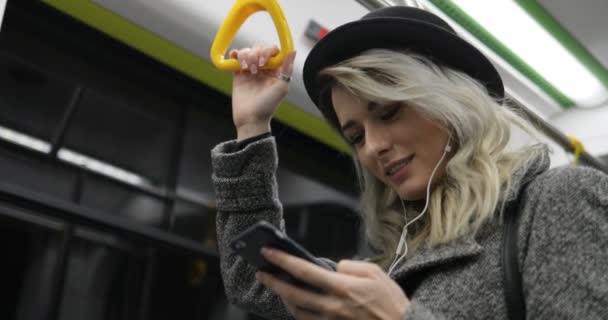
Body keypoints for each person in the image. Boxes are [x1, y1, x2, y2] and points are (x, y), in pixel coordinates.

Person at [211, 6, 608, 320]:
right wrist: (251, 125)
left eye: (388, 114)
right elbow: (255, 280)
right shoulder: (394, 266)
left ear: (452, 106)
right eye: (356, 136)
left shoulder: (555, 203)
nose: (373, 147)